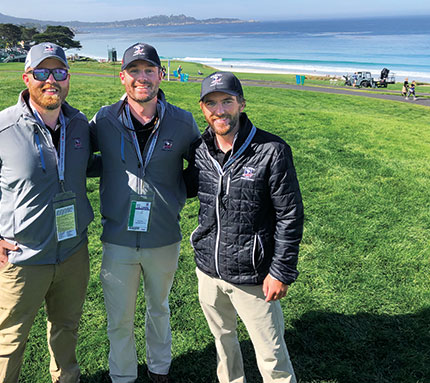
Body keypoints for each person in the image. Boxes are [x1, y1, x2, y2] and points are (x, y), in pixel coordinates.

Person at [0, 42, 94, 383]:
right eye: (42, 72)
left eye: (59, 72)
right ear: (27, 77)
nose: (52, 80)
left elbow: (88, 166)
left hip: (73, 252)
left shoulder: (79, 126)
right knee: (9, 339)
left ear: (68, 77)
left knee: (66, 328)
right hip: (22, 259)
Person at [89, 42, 201, 383]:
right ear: (122, 77)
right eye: (134, 71)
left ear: (160, 75)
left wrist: (176, 195)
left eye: (149, 70)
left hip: (164, 237)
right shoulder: (105, 119)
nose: (142, 78)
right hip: (118, 238)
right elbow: (81, 157)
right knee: (119, 318)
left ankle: (159, 370)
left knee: (159, 309)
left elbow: (200, 169)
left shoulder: (182, 121)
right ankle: (122, 376)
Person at [186, 71, 304, 383]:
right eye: (211, 103)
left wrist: (281, 271)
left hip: (253, 275)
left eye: (227, 101)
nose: (219, 110)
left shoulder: (272, 150)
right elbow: (180, 186)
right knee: (224, 344)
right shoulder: (199, 149)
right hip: (208, 270)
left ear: (241, 103)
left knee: (271, 354)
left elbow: (290, 215)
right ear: (202, 108)